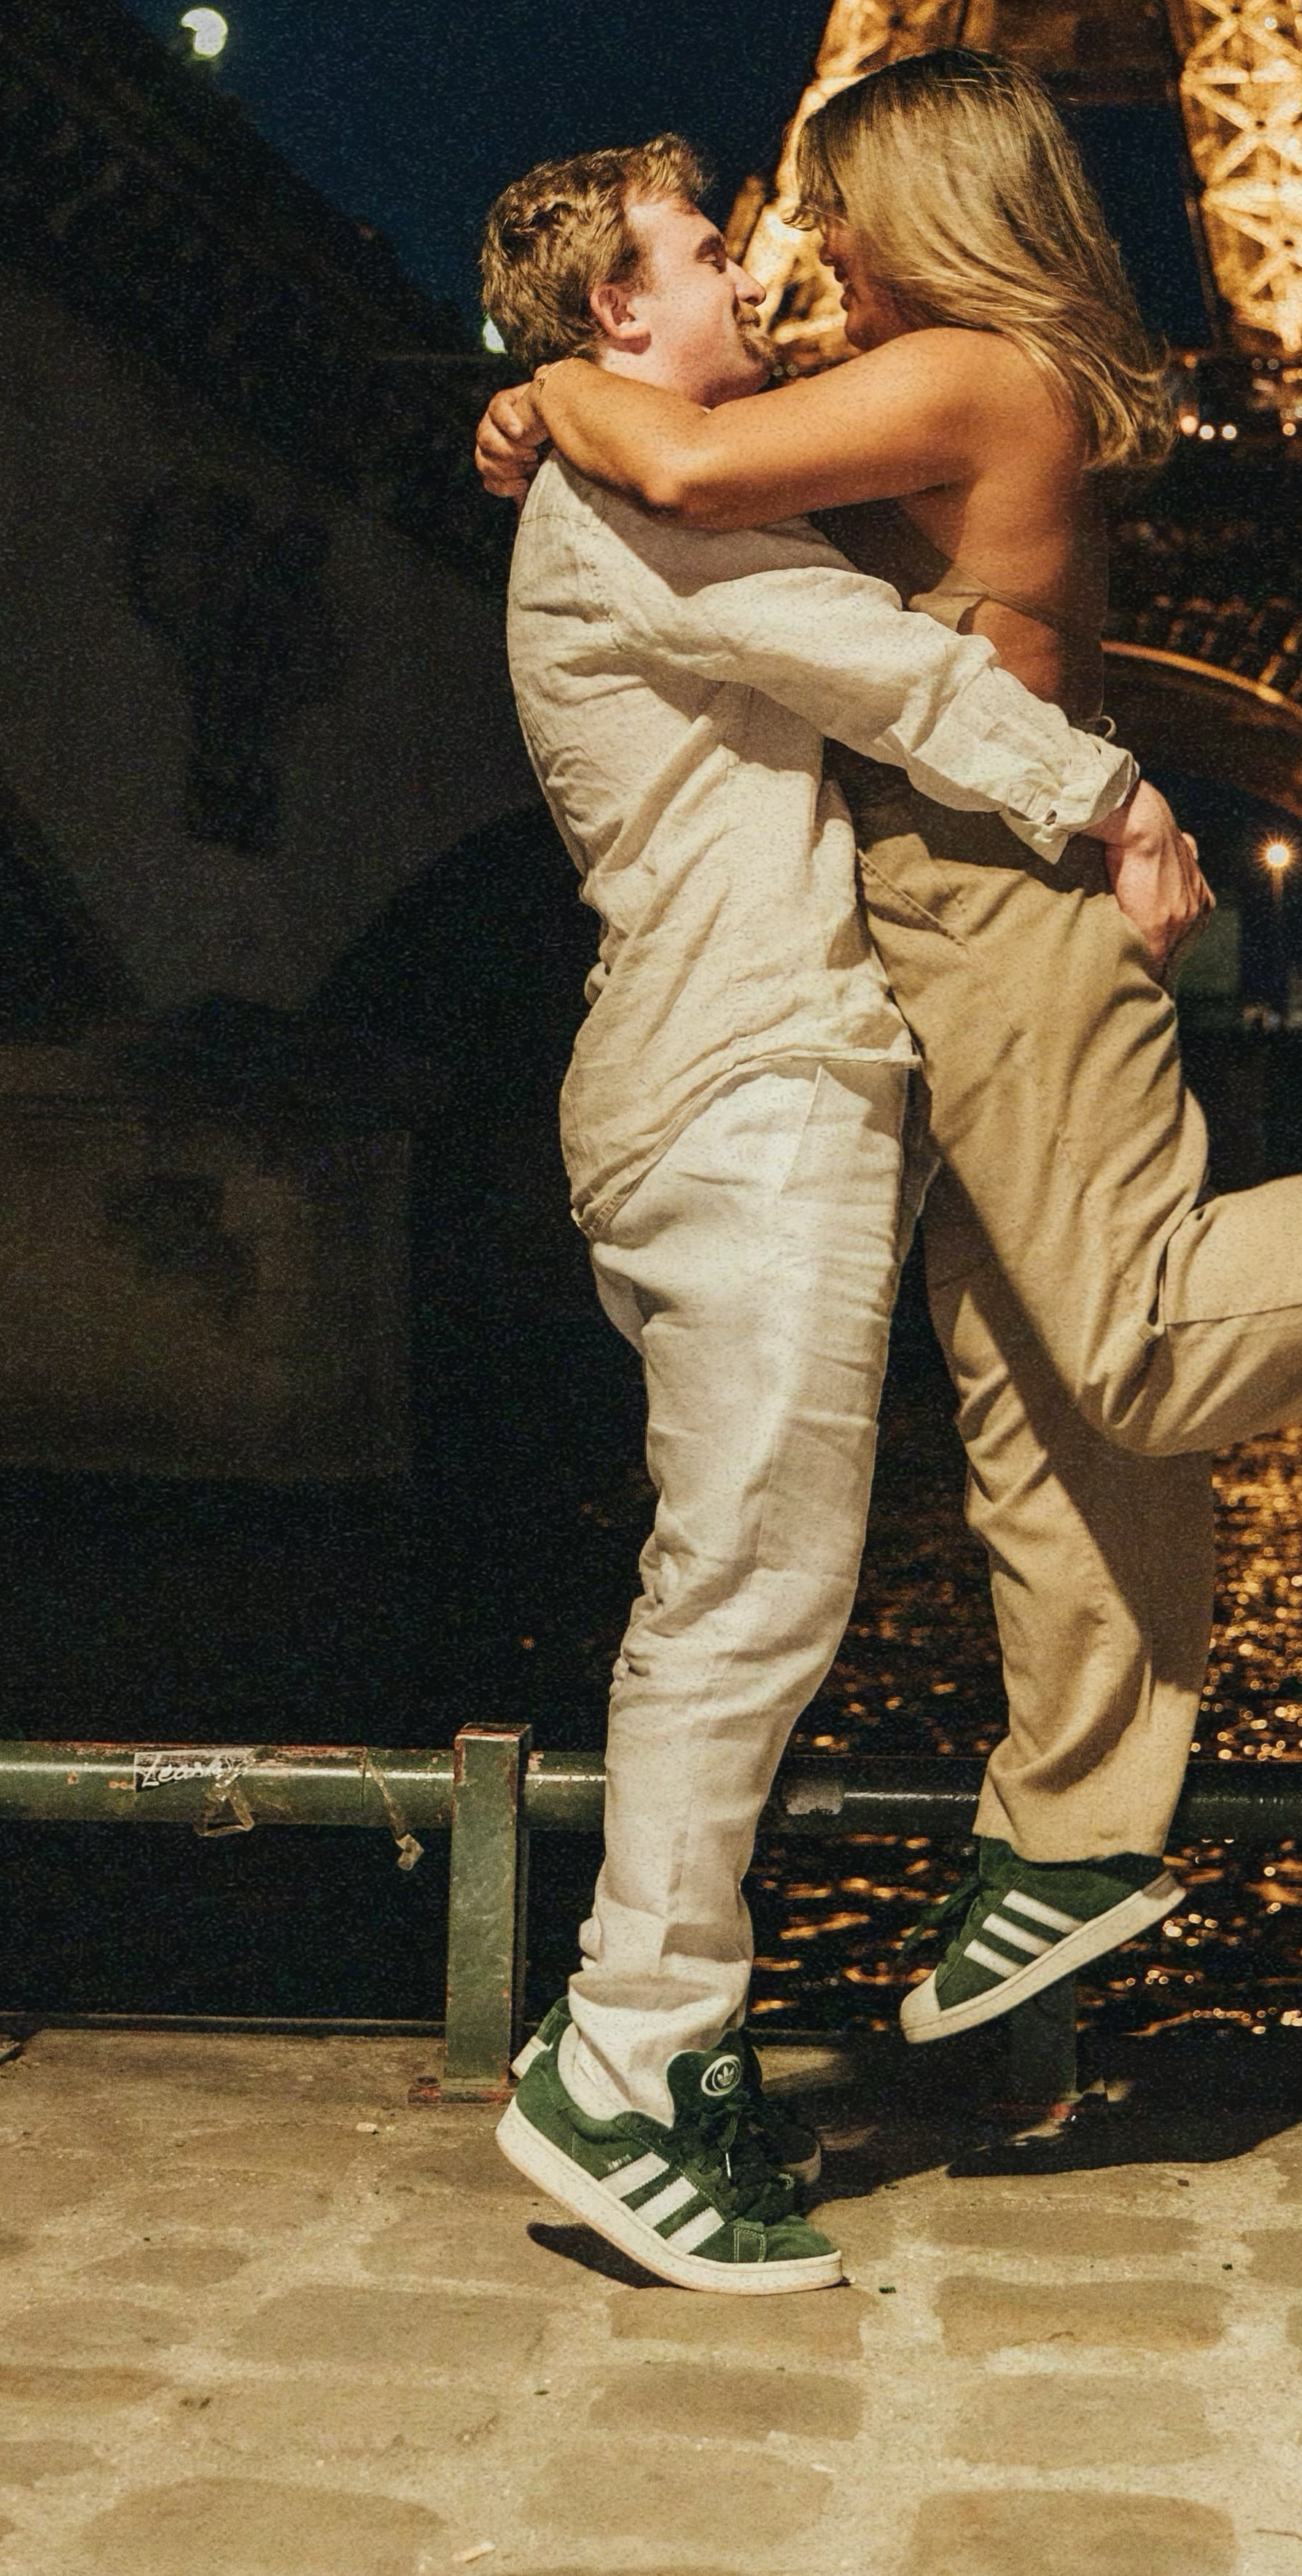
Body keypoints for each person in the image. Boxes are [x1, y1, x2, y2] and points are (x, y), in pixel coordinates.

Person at [477, 50, 1302, 2048]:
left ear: (922, 196)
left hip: (998, 894)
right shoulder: (978, 374)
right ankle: (1077, 1832)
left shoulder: (953, 375)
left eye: (829, 205)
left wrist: (542, 382)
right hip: (951, 900)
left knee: (1132, 1338)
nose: (802, 248)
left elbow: (665, 463)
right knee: (1034, 1396)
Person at [475, 129, 1205, 2295]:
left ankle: (652, 2039)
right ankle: (630, 2060)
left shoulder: (625, 456)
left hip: (745, 1085)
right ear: (617, 308)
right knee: (749, 1596)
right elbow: (882, 667)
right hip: (746, 1090)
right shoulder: (636, 495)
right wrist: (1110, 790)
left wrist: (546, 394)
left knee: (752, 1586)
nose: (756, 289)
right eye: (708, 261)